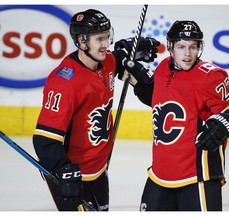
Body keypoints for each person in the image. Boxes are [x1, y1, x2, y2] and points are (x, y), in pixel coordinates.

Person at [32, 9, 159, 211]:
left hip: (99, 168)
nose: (105, 44)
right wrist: (63, 170)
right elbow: (45, 139)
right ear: (82, 42)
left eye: (107, 37)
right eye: (99, 39)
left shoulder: (105, 61)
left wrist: (136, 47)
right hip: (73, 175)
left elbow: (118, 57)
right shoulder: (64, 82)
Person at [123, 20, 229, 211]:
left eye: (193, 47)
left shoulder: (210, 76)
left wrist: (220, 125)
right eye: (181, 47)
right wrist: (139, 77)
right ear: (171, 48)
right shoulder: (164, 67)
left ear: (199, 48)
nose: (187, 54)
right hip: (160, 174)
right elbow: (160, 99)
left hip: (197, 177)